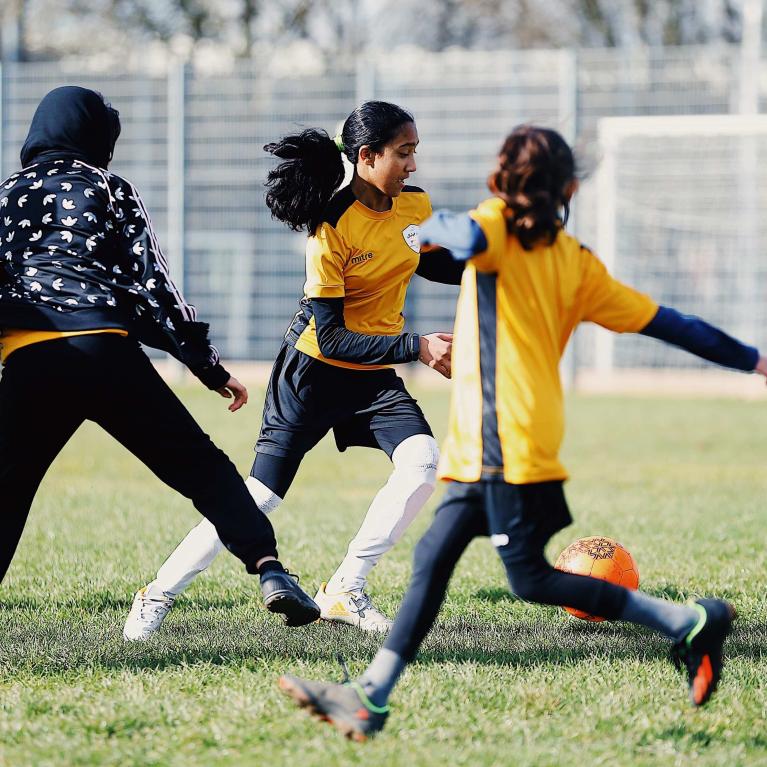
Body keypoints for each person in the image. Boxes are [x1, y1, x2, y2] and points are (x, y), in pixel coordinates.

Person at [277, 125, 766, 739]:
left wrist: (424, 230)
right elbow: (670, 323)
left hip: (499, 445)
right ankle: (371, 696)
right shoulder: (577, 262)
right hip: (520, 442)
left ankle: (688, 622)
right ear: (568, 188)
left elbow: (465, 233)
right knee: (448, 562)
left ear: (502, 180)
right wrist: (752, 358)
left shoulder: (495, 227)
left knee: (520, 576)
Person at [123, 100, 461, 640]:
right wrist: (418, 346)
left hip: (369, 376)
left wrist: (495, 262)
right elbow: (331, 336)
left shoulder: (413, 206)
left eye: (414, 152)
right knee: (259, 498)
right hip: (312, 374)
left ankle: (346, 588)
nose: (413, 165)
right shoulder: (330, 228)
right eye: (403, 153)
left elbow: (430, 260)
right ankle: (157, 594)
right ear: (367, 157)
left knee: (422, 463)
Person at [0, 86, 319, 630]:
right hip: (107, 351)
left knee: (6, 489)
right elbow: (152, 286)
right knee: (203, 468)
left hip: (31, 358)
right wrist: (205, 365)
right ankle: (269, 569)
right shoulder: (107, 186)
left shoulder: (5, 197)